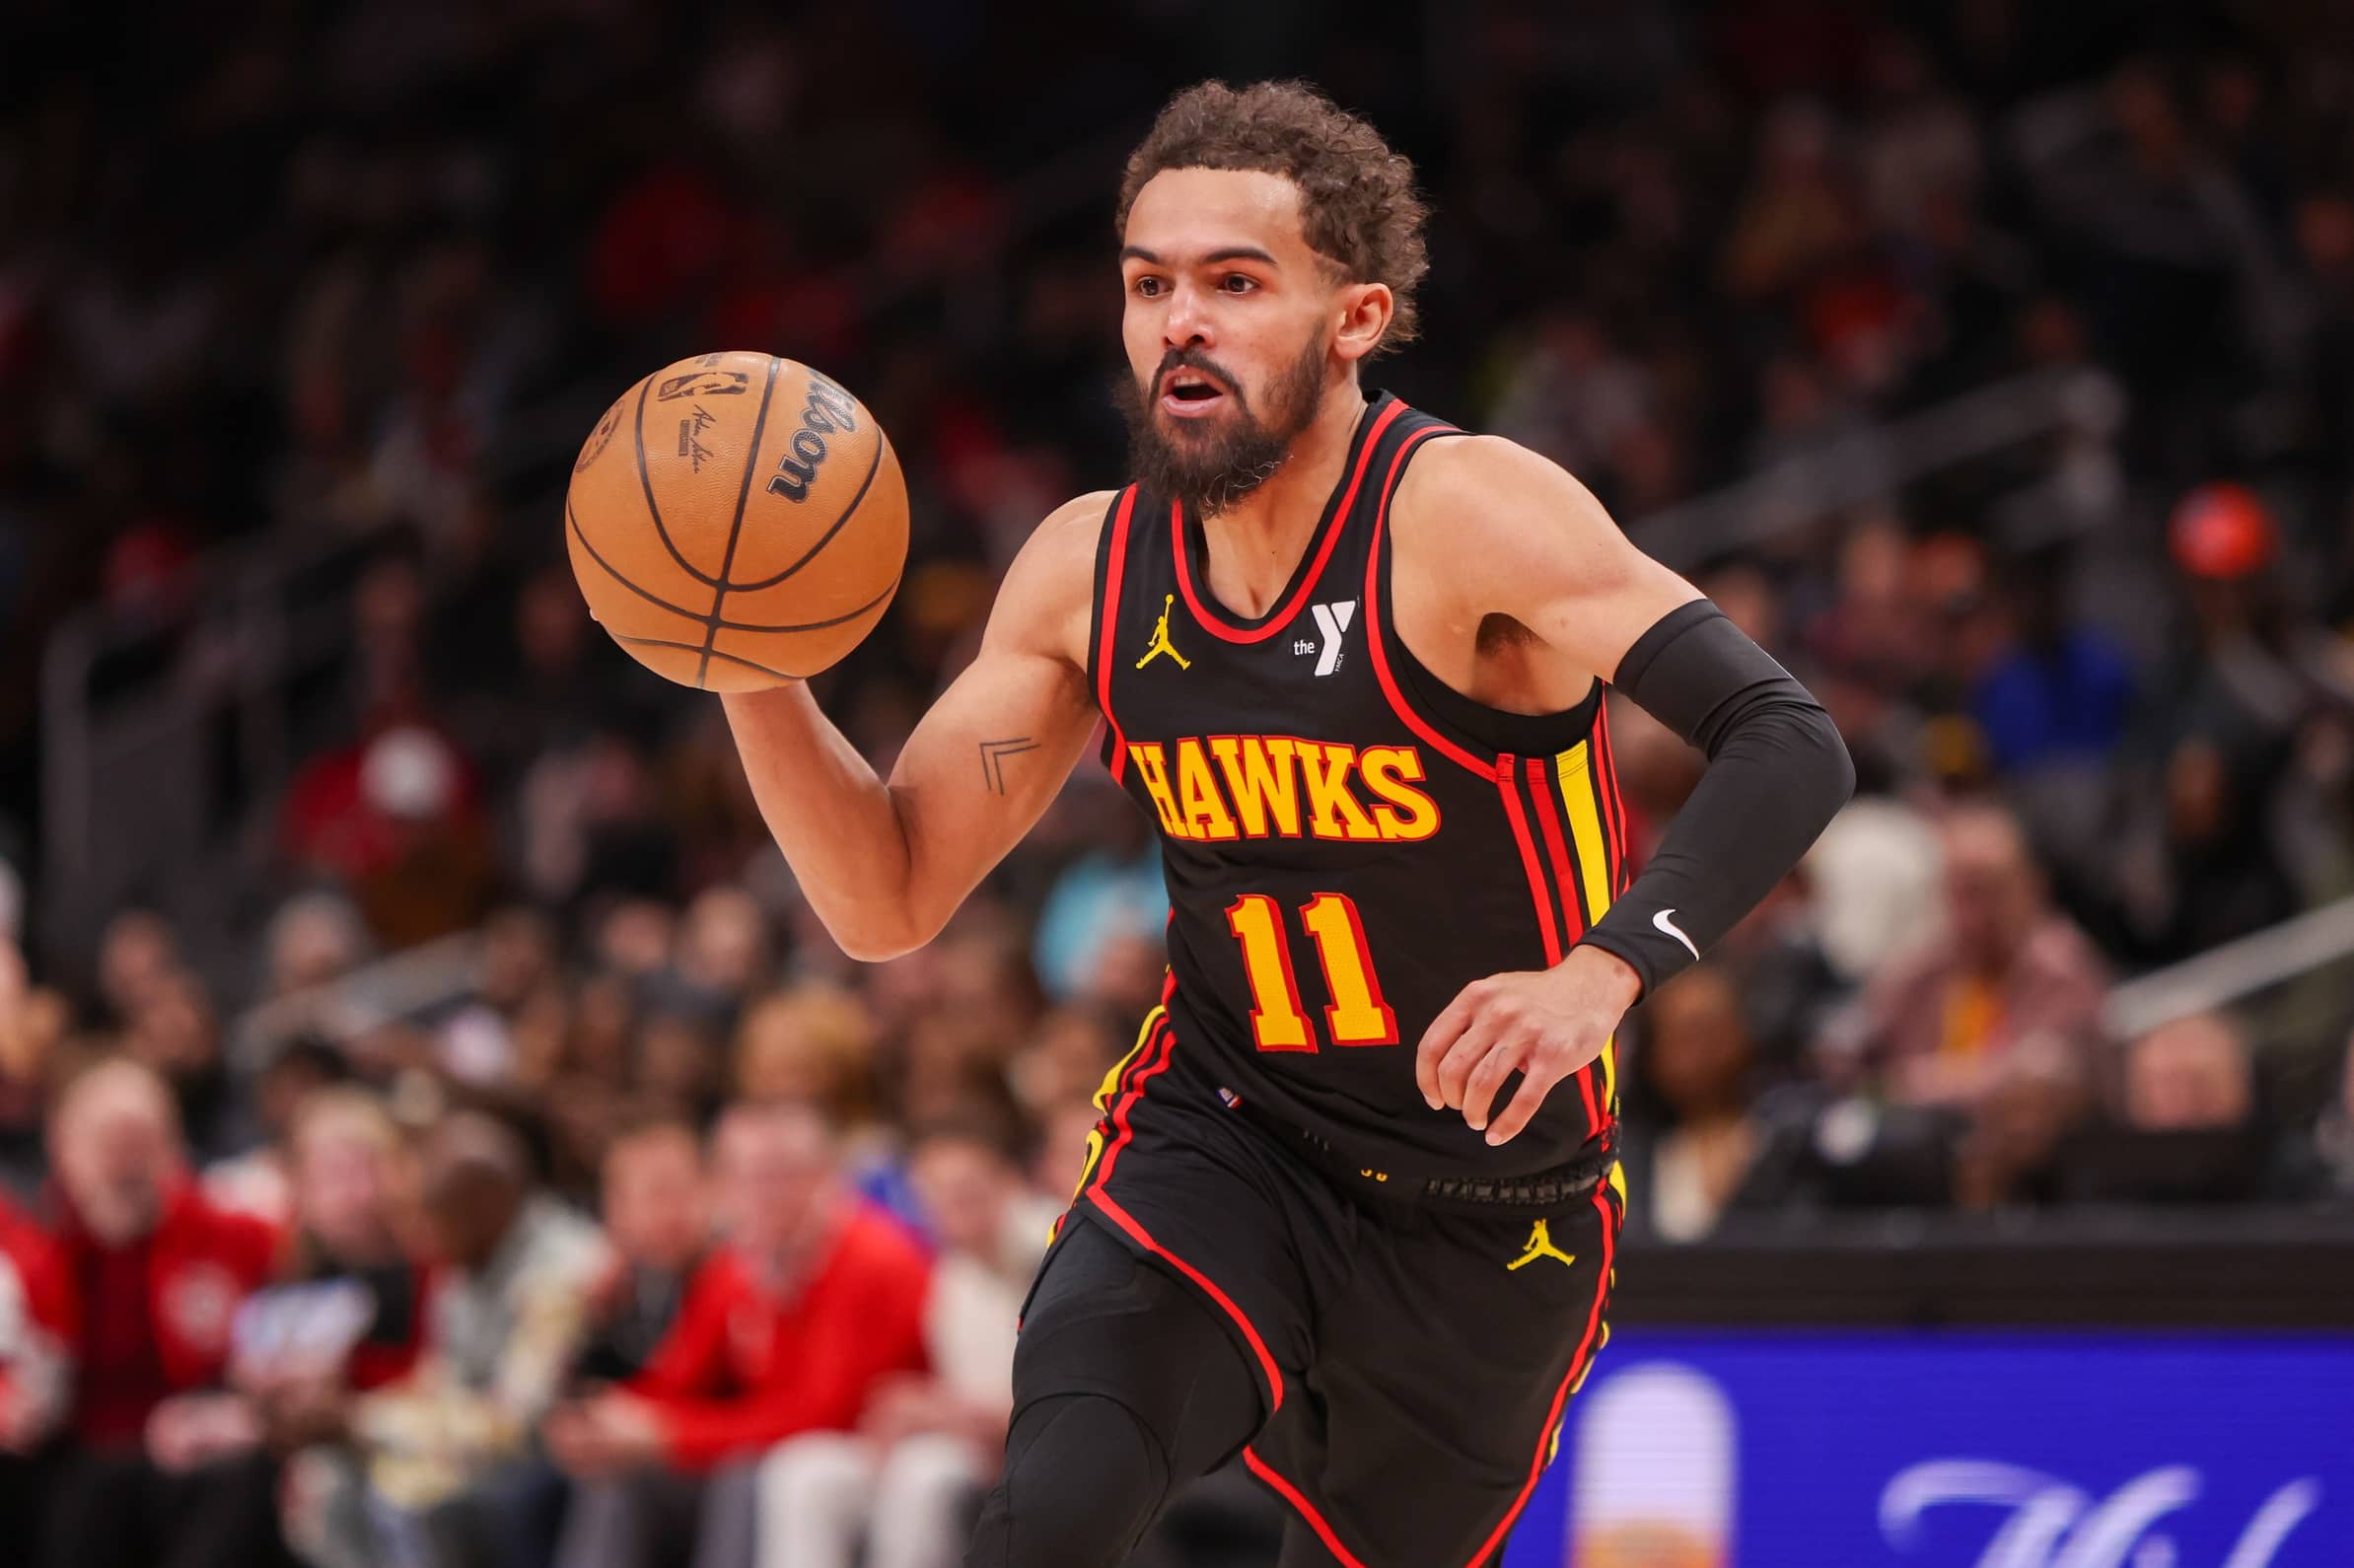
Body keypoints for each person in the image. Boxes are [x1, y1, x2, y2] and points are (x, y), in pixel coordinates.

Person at [719, 81, 1851, 1567]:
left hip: (1486, 1207)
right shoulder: (1086, 569)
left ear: (1354, 318)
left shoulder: (1462, 516)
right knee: (1046, 1516)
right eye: (1147, 284)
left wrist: (1603, 967)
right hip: (1225, 1134)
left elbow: (1785, 737)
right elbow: (886, 896)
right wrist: (745, 666)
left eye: (1233, 282)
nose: (1178, 320)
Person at [546, 1100, 929, 1568]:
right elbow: (680, 1378)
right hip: (775, 1445)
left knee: (744, 1475)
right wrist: (607, 1422)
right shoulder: (739, 1262)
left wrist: (669, 1436)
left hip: (863, 1452)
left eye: (777, 1175)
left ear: (822, 1176)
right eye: (739, 1176)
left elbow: (826, 1413)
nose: (758, 1194)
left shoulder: (872, 1259)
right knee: (619, 1476)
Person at [754, 1119, 1059, 1568]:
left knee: (923, 1475)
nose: (952, 1202)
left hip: (1026, 1448)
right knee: (801, 1470)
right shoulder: (950, 1272)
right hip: (958, 1435)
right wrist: (910, 1409)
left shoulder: (1051, 1250)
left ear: (1008, 1181)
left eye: (968, 1186)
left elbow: (1067, 1396)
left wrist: (943, 1413)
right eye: (936, 1190)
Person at [37, 1058, 289, 1568]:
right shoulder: (35, 1249)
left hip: (199, 1456)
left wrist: (246, 1412)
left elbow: (292, 1343)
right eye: (109, 1141)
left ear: (172, 1146)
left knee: (239, 1480)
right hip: (77, 1461)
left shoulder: (238, 1238)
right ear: (64, 1148)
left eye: (142, 1140)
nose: (126, 1162)